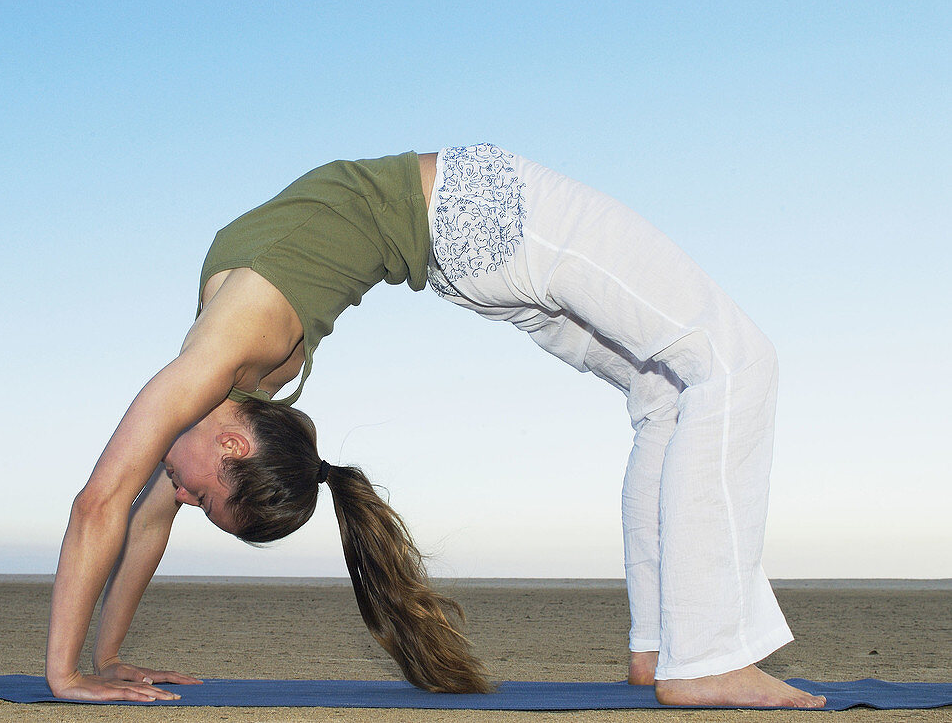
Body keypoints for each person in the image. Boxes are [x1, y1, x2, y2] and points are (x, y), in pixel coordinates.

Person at [45, 144, 827, 708]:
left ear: (231, 443)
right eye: (199, 498)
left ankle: (667, 647)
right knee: (733, 362)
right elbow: (138, 520)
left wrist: (70, 670)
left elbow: (103, 506)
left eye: (197, 495)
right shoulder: (216, 383)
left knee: (676, 386)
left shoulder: (211, 365)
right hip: (479, 222)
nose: (177, 495)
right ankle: (704, 657)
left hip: (476, 222)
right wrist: (101, 659)